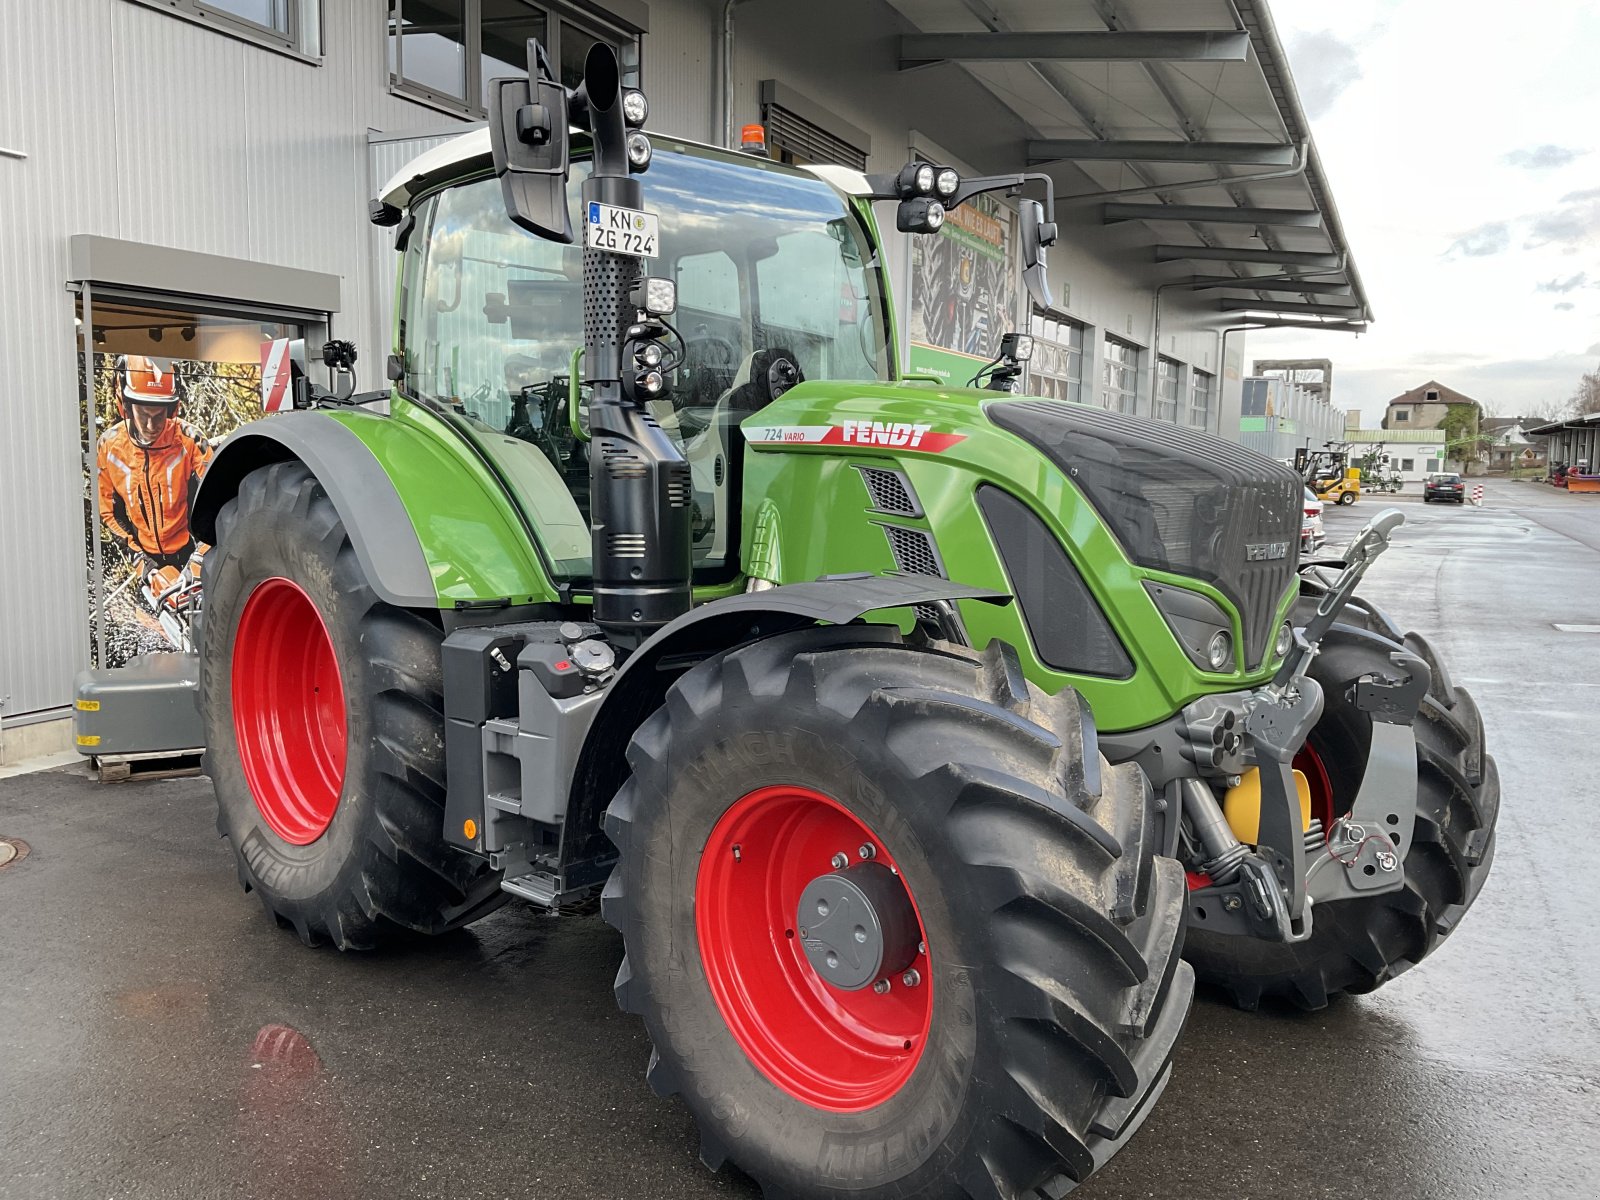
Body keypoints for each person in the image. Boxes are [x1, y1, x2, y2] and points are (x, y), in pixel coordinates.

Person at [97, 354, 212, 595]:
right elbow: (109, 513)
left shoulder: (191, 441)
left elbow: (217, 506)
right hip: (146, 558)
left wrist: (198, 563)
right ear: (125, 407)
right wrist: (141, 563)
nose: (151, 426)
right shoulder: (109, 446)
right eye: (144, 416)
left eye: (158, 415)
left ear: (172, 409)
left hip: (191, 552)